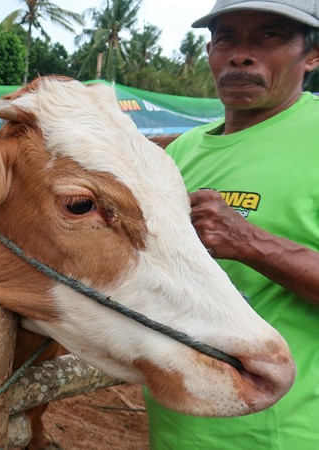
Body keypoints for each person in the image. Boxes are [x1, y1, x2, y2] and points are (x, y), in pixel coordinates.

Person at [144, 0, 319, 448]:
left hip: (285, 431)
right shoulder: (181, 152)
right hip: (177, 428)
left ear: (312, 55)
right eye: (226, 38)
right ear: (209, 52)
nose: (241, 54)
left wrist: (251, 242)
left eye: (269, 36)